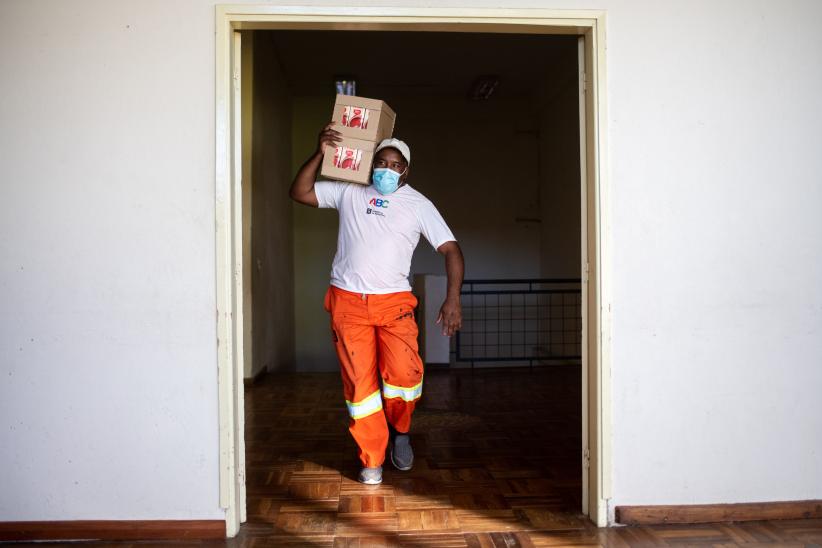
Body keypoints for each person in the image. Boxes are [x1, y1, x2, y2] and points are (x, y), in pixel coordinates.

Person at [289, 122, 464, 485]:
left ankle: (400, 429)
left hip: (395, 304)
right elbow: (300, 191)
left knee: (403, 377)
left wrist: (452, 299)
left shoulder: (418, 205)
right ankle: (372, 458)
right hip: (348, 303)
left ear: (406, 171)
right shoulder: (349, 191)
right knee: (361, 387)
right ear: (372, 165)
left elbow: (451, 249)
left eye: (396, 165)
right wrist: (321, 153)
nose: (388, 169)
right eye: (382, 162)